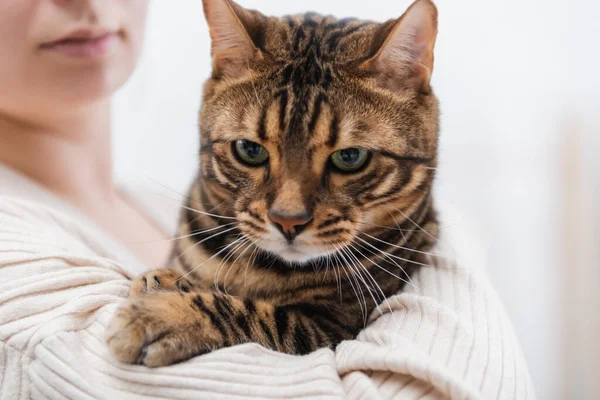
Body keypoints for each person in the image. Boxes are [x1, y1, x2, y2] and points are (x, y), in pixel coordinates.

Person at [0, 1, 536, 399]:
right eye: (251, 152)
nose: (289, 213)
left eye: (347, 160)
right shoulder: (19, 278)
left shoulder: (156, 205)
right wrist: (453, 252)